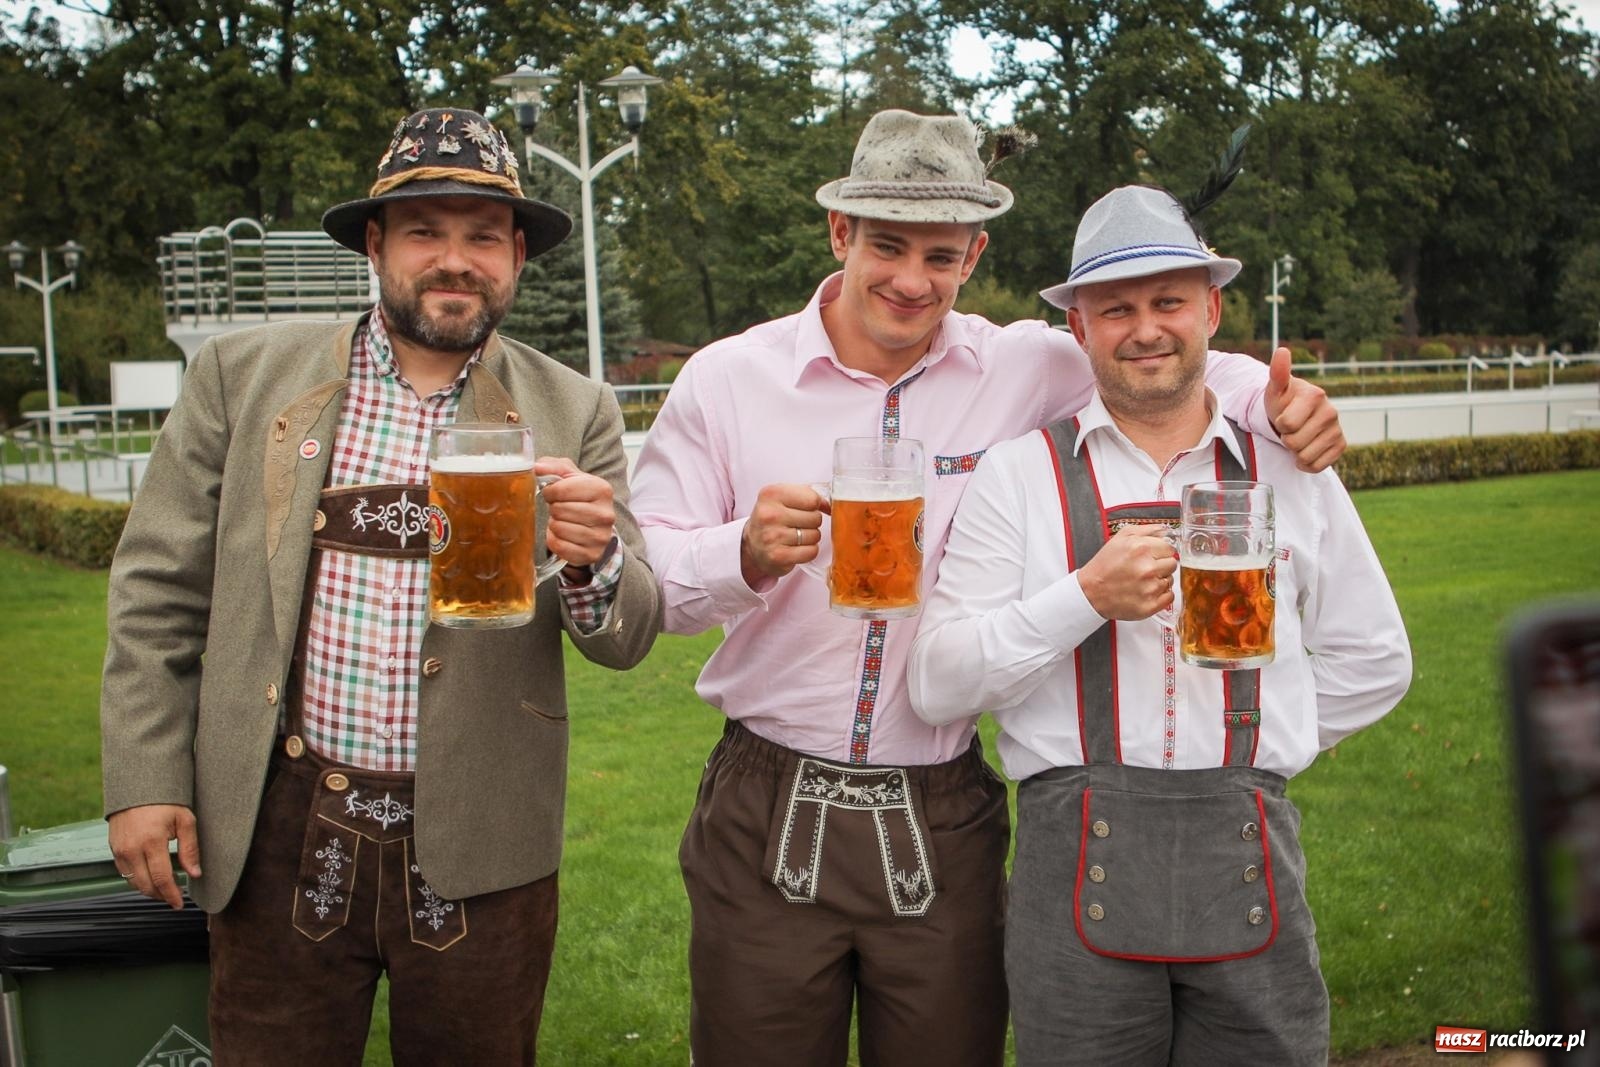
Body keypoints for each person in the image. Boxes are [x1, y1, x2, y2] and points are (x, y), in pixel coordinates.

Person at [629, 109, 1348, 1066]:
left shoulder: (1027, 363)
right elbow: (649, 591)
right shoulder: (726, 380)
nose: (912, 280)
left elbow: (1162, 353)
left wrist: (1273, 399)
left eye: (943, 253)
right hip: (768, 794)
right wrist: (744, 553)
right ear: (840, 233)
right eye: (887, 245)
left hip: (944, 801)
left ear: (977, 252)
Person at [100, 107, 662, 1065]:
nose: (456, 259)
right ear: (375, 243)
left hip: (483, 837)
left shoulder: (574, 404)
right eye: (424, 232)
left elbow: (627, 634)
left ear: (517, 254)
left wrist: (595, 557)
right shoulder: (243, 376)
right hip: (281, 822)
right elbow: (158, 585)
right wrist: (145, 780)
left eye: (484, 236)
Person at [907, 184, 1412, 1064]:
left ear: (1212, 309)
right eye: (1117, 308)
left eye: (1169, 301)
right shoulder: (1018, 476)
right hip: (1070, 865)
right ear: (1079, 329)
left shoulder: (1291, 467)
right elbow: (938, 679)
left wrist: (1265, 743)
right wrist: (1083, 599)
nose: (1146, 328)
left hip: (1251, 846)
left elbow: (1375, 658)